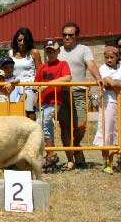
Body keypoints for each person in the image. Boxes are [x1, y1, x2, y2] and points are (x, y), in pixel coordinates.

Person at [58, 22, 103, 169]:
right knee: (64, 126)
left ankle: (76, 145)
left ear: (76, 36)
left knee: (81, 125)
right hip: (62, 93)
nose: (67, 37)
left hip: (79, 92)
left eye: (70, 35)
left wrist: (98, 77)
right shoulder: (57, 51)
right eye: (64, 34)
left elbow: (90, 64)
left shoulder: (84, 49)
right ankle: (70, 159)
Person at [34, 40, 71, 171]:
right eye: (48, 50)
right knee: (44, 127)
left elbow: (67, 78)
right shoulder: (43, 67)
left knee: (43, 125)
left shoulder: (63, 64)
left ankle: (51, 154)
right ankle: (51, 155)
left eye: (53, 50)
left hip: (54, 101)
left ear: (58, 51)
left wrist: (48, 84)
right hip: (41, 102)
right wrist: (36, 96)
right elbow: (36, 85)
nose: (51, 53)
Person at [94, 46, 120, 174]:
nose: (109, 60)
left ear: (117, 57)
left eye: (112, 57)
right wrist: (114, 84)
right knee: (106, 131)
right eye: (106, 57)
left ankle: (118, 160)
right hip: (108, 103)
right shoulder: (103, 69)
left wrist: (114, 84)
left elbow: (114, 84)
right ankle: (106, 162)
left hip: (119, 103)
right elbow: (111, 83)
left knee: (118, 132)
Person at [9, 27, 42, 120]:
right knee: (14, 114)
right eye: (20, 40)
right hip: (14, 87)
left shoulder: (34, 52)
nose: (22, 43)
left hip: (29, 87)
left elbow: (40, 72)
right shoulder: (11, 53)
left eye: (25, 40)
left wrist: (38, 93)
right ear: (16, 40)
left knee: (29, 113)